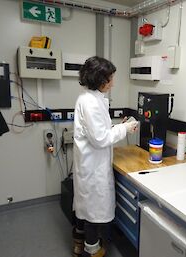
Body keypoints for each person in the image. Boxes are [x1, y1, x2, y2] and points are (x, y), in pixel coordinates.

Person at [72, 56, 138, 257]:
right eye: (110, 78)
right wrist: (124, 129)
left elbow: (97, 130)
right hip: (93, 167)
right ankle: (91, 251)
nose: (113, 82)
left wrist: (118, 126)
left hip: (89, 164)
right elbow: (100, 139)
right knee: (92, 212)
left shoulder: (91, 98)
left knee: (86, 208)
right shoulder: (90, 103)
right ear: (100, 80)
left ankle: (78, 243)